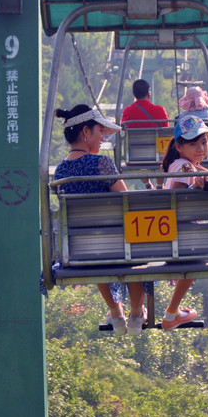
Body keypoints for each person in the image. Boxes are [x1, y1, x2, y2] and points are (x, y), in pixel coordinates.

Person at [53, 104, 147, 336]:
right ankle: (136, 314)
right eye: (100, 133)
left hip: (80, 248)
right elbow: (126, 200)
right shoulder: (101, 163)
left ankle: (116, 313)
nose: (102, 139)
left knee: (96, 252)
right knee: (138, 246)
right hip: (116, 244)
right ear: (86, 132)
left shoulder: (60, 172)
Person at [159, 114, 208, 349]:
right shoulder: (184, 167)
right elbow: (182, 190)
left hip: (172, 240)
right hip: (188, 240)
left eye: (203, 142)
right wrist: (195, 187)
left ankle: (172, 314)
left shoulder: (182, 166)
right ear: (179, 146)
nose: (200, 148)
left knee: (207, 256)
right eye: (193, 144)